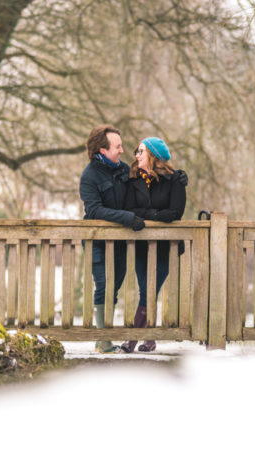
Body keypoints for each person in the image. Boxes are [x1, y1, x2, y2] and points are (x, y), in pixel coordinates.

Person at [79, 124, 145, 353]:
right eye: (117, 146)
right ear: (102, 150)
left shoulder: (125, 170)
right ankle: (104, 341)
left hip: (119, 242)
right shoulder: (89, 177)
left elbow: (145, 191)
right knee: (103, 286)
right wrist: (128, 218)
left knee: (114, 287)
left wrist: (174, 179)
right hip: (97, 241)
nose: (122, 150)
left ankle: (102, 337)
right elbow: (95, 210)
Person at [121, 137, 187, 353]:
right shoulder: (133, 180)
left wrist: (148, 215)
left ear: (153, 155)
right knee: (146, 290)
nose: (136, 156)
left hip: (165, 248)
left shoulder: (174, 179)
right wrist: (158, 214)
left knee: (149, 290)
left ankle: (132, 339)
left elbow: (175, 212)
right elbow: (131, 209)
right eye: (136, 152)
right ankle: (149, 339)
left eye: (141, 151)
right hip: (142, 245)